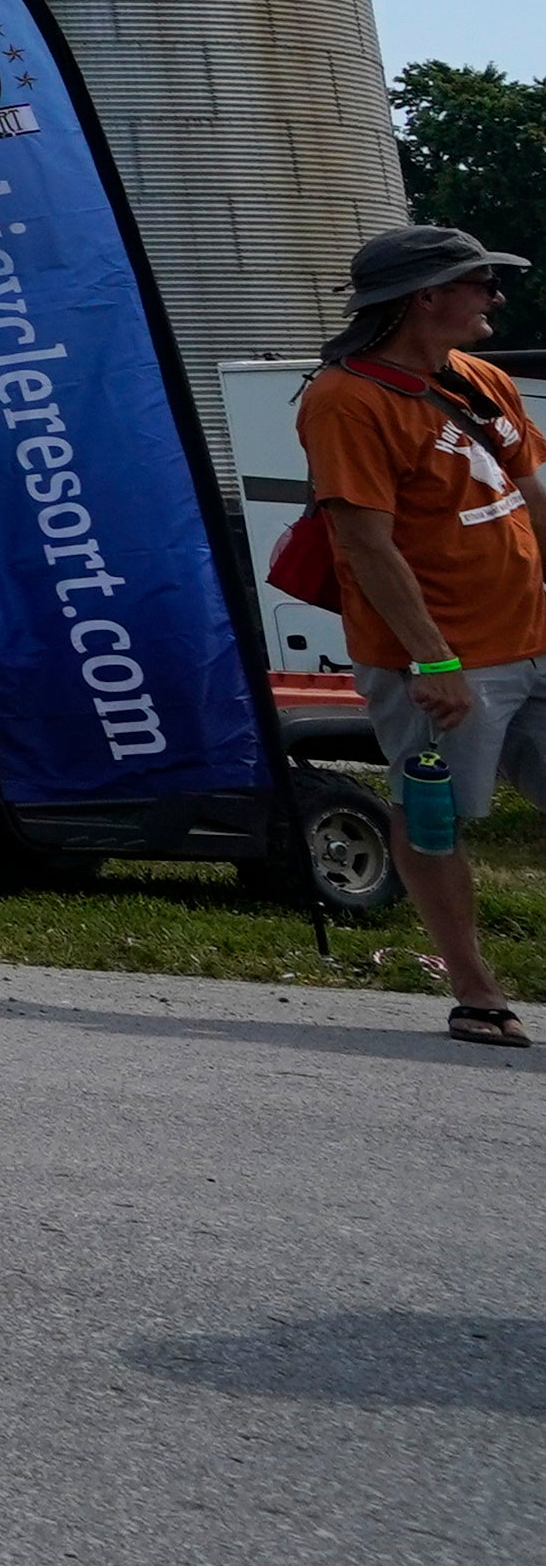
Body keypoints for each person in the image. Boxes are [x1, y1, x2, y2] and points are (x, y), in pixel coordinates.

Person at [297, 222, 543, 1049]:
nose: (495, 298)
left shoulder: (477, 379)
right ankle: (475, 992)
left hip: (534, 634)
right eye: (479, 283)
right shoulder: (345, 400)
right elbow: (364, 543)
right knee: (432, 817)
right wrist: (431, 658)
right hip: (444, 660)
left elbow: (530, 492)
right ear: (424, 298)